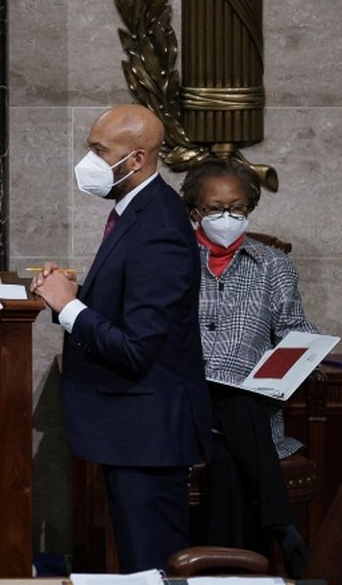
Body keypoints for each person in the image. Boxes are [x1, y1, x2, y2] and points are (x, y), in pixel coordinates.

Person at [31, 104, 211, 573]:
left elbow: (136, 347)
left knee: (152, 568)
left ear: (137, 160)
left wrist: (68, 307)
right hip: (132, 431)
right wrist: (73, 294)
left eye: (99, 151)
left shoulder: (160, 226)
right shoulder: (138, 210)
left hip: (147, 435)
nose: (88, 162)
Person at [180, 157, 315, 573]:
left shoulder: (273, 265)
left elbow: (295, 330)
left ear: (249, 209)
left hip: (249, 408)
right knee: (228, 403)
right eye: (216, 208)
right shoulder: (173, 261)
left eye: (236, 208)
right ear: (195, 213)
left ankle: (219, 573)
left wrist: (305, 354)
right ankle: (282, 526)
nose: (227, 217)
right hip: (186, 404)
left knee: (226, 453)